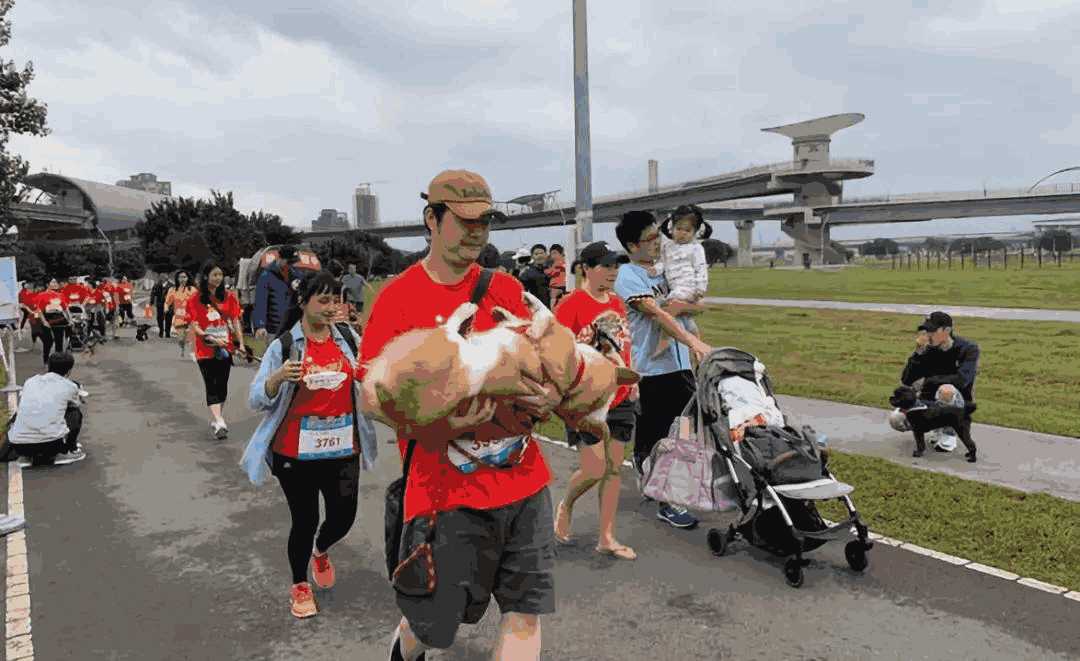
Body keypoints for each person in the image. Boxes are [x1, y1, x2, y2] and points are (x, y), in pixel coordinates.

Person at [360, 169, 556, 661]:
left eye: (485, 222)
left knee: (524, 615)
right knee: (431, 628)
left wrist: (551, 399)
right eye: (464, 221)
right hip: (443, 496)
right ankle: (407, 648)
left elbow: (542, 368)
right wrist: (446, 422)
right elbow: (372, 398)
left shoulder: (505, 290)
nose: (475, 232)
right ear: (432, 218)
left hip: (525, 483)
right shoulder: (398, 299)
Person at [240, 270, 378, 620]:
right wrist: (276, 378)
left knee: (343, 516)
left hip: (343, 445)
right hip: (295, 453)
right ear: (303, 303)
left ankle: (322, 548)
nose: (333, 307)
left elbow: (367, 372)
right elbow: (257, 399)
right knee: (305, 519)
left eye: (336, 300)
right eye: (324, 300)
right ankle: (299, 584)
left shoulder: (347, 336)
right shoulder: (284, 345)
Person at [614, 210, 713, 530]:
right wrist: (695, 342)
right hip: (652, 370)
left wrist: (691, 339)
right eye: (651, 238)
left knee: (682, 432)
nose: (659, 242)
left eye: (659, 234)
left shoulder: (665, 271)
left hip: (680, 365)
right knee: (663, 436)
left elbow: (696, 303)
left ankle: (653, 472)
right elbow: (658, 315)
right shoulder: (629, 276)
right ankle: (666, 500)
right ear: (632, 245)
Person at [552, 241, 638, 561]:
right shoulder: (571, 304)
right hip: (587, 400)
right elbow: (557, 354)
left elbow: (624, 344)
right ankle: (567, 505)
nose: (613, 272)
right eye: (606, 266)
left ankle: (606, 537)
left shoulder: (617, 302)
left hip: (620, 397)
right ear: (586, 268)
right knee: (594, 469)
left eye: (616, 266)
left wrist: (633, 379)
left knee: (614, 469)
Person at [895, 311, 979, 462]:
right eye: (926, 331)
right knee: (896, 419)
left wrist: (929, 381)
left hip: (957, 404)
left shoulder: (968, 349)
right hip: (928, 403)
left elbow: (962, 380)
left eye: (932, 331)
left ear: (946, 331)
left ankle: (948, 434)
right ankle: (935, 427)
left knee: (946, 389)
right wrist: (918, 352)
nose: (928, 335)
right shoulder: (928, 350)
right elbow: (907, 380)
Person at [187, 261, 244, 439]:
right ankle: (219, 421)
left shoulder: (229, 297)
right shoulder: (195, 299)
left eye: (220, 275)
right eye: (215, 275)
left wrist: (240, 343)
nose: (219, 278)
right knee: (211, 384)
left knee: (222, 387)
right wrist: (206, 336)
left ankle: (217, 418)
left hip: (225, 348)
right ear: (206, 277)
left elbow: (235, 321)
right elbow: (194, 325)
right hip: (205, 348)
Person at [651, 205, 711, 359]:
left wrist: (700, 289)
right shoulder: (668, 247)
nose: (682, 233)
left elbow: (701, 269)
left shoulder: (696, 248)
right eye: (679, 229)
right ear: (671, 228)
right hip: (675, 288)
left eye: (687, 230)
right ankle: (698, 348)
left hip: (688, 288)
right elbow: (662, 264)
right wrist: (655, 270)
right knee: (685, 319)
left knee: (667, 311)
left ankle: (664, 340)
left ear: (694, 232)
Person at [7, 351, 86, 466]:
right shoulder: (70, 386)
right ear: (69, 371)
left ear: (48, 366)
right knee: (75, 413)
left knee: (25, 412)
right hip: (51, 445)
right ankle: (67, 450)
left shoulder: (30, 381)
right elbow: (76, 404)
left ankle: (25, 458)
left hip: (19, 446)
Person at [253, 245, 302, 341]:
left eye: (293, 262)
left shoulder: (297, 275)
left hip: (293, 327)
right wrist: (260, 325)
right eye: (289, 262)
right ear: (280, 258)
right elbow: (260, 302)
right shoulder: (266, 276)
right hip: (274, 329)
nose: (291, 265)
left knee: (294, 355)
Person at [32, 278, 71, 368]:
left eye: (56, 282)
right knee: (48, 342)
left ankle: (58, 363)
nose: (55, 283)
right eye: (53, 282)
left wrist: (70, 319)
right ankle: (46, 361)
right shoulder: (41, 295)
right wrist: (44, 321)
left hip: (60, 321)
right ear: (47, 284)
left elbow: (65, 308)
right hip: (47, 320)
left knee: (59, 342)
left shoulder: (60, 295)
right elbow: (38, 310)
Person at [165, 270, 198, 359]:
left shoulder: (192, 289)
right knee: (180, 339)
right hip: (179, 317)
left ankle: (193, 351)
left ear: (188, 278)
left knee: (192, 335)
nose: (182, 279)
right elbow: (167, 302)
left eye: (184, 277)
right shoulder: (172, 290)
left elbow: (198, 302)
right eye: (180, 277)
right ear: (177, 278)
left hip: (191, 317)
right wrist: (166, 308)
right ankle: (182, 346)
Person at [149, 273, 172, 338]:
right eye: (161, 276)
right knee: (160, 318)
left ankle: (167, 332)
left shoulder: (171, 285)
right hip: (160, 304)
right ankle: (161, 331)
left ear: (167, 277)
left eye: (164, 276)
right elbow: (153, 293)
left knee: (169, 319)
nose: (162, 277)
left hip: (169, 305)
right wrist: (151, 302)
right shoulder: (156, 285)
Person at [546, 244, 567, 308]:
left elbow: (552, 272)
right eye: (552, 254)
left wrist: (547, 271)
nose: (553, 255)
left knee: (553, 297)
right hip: (561, 284)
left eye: (555, 253)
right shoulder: (561, 262)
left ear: (561, 253)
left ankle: (552, 310)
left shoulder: (558, 263)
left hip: (557, 285)